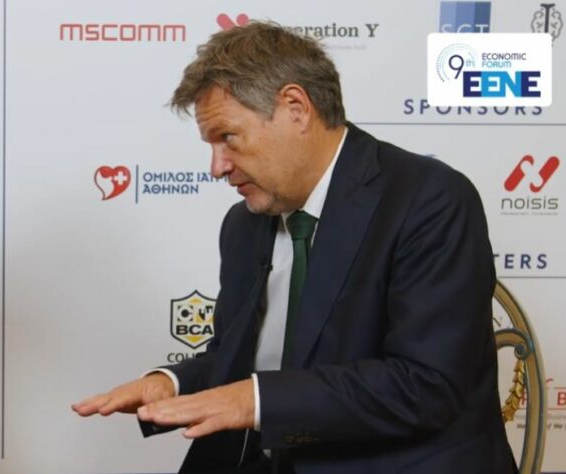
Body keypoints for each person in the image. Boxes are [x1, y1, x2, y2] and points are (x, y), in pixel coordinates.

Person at [73, 22, 516, 473]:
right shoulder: (243, 224)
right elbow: (239, 356)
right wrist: (172, 382)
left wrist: (256, 401)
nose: (216, 167)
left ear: (296, 109)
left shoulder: (428, 199)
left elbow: (426, 385)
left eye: (228, 138)